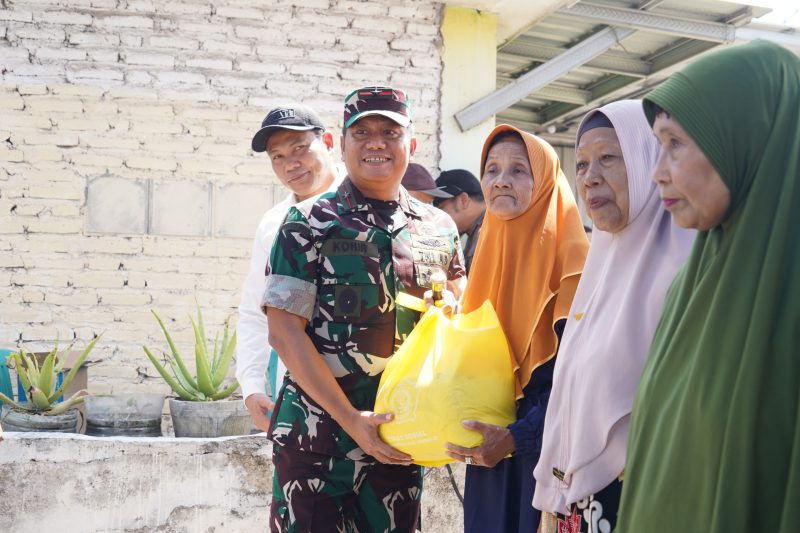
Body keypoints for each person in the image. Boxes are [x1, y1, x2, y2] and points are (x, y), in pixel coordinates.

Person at [615, 40, 800, 533]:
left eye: (676, 143)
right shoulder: (691, 289)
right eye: (658, 146)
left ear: (749, 140)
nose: (657, 173)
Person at [262, 86, 466, 532]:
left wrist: (453, 306)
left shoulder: (439, 228)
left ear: (410, 145)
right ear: (343, 142)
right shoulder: (308, 223)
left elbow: (459, 315)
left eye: (389, 132)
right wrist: (352, 420)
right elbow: (284, 333)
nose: (376, 142)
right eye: (363, 131)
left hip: (402, 438)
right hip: (317, 446)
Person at [533, 100, 695, 533]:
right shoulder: (599, 266)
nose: (590, 177)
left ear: (648, 162)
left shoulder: (685, 270)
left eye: (608, 158)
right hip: (580, 504)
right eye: (582, 164)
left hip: (645, 504)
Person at [444, 124, 589, 532]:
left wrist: (516, 438)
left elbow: (581, 382)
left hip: (550, 457)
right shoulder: (485, 257)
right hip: (489, 458)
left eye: (518, 170)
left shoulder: (577, 266)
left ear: (543, 180)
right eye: (491, 169)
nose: (501, 180)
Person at [235, 103, 340, 432]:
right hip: (298, 400)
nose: (290, 164)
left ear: (330, 143)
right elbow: (255, 309)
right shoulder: (273, 224)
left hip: (371, 395)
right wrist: (252, 387)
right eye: (277, 156)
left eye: (299, 148)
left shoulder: (368, 207)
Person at [433, 169, 486, 274]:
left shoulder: (488, 233)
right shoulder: (479, 230)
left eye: (441, 209)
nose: (437, 219)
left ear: (463, 200)